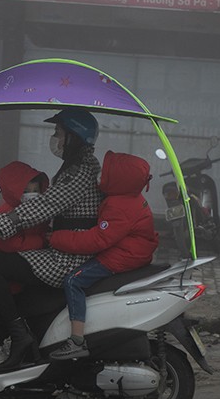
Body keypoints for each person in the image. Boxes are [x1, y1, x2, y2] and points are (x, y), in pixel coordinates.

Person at [0, 107, 103, 369]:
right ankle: (4, 342)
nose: (55, 138)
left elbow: (46, 205)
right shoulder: (76, 166)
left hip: (68, 258)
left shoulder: (80, 171)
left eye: (58, 133)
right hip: (63, 247)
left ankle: (19, 337)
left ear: (74, 136)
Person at [47, 151, 159, 359]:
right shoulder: (128, 197)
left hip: (122, 256)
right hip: (132, 251)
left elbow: (96, 240)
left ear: (120, 180)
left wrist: (55, 238)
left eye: (107, 174)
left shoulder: (120, 206)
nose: (101, 177)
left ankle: (77, 340)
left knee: (73, 280)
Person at [0, 161, 49, 367]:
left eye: (35, 187)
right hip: (7, 271)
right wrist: (43, 242)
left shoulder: (41, 210)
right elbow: (10, 245)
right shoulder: (5, 214)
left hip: (22, 267)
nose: (32, 192)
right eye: (26, 189)